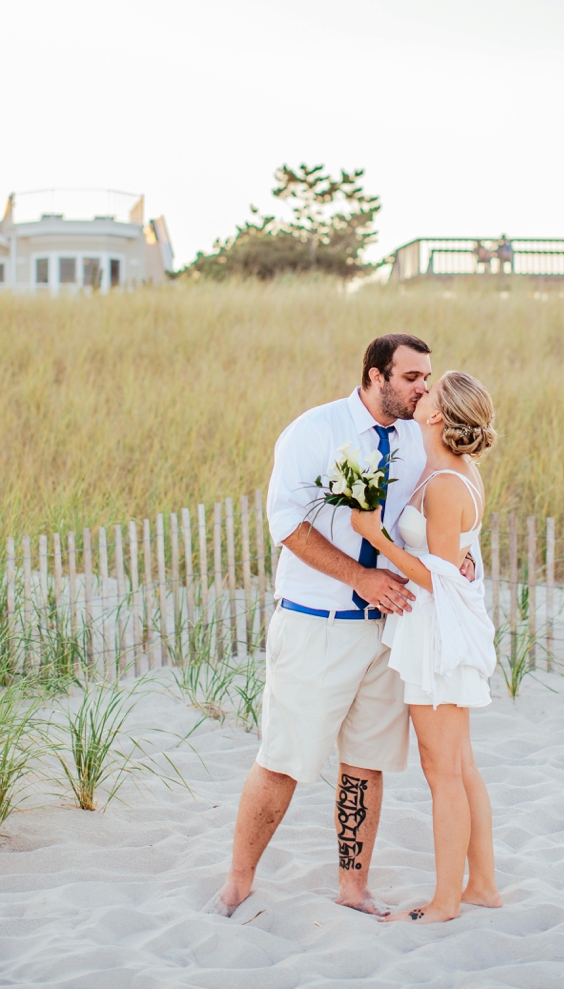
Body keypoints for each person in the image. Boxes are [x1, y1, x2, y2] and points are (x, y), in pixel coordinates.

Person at [212, 333, 432, 918]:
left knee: (365, 762)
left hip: (386, 631)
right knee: (284, 758)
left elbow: (422, 516)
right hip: (317, 623)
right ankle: (238, 881)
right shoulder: (316, 431)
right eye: (411, 378)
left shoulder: (416, 439)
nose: (422, 389)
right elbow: (285, 522)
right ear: (375, 375)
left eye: (425, 378)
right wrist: (360, 580)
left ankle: (352, 888)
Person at [350, 370, 502, 923]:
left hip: (436, 638)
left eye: (430, 392)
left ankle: (446, 901)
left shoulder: (444, 483)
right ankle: (481, 885)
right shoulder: (456, 471)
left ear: (439, 414)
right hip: (441, 629)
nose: (421, 393)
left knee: (444, 773)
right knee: (461, 766)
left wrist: (375, 536)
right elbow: (458, 561)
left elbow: (438, 576)